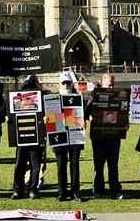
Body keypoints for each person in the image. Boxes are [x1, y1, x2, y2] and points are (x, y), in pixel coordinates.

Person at [53, 71, 86, 202]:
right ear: (59, 84)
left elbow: (84, 114)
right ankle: (62, 192)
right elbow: (48, 115)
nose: (66, 85)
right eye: (64, 83)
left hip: (74, 132)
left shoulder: (78, 98)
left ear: (72, 83)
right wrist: (46, 118)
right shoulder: (53, 98)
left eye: (68, 82)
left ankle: (75, 192)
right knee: (60, 164)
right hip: (59, 131)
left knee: (74, 164)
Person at [90, 73, 124, 200]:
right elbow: (86, 113)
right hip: (98, 136)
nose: (111, 87)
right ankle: (98, 189)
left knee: (113, 164)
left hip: (114, 135)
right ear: (102, 83)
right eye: (109, 85)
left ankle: (115, 190)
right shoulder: (94, 97)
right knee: (98, 164)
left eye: (113, 85)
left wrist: (124, 124)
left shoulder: (119, 97)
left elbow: (123, 114)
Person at [12, 74, 44, 200]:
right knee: (31, 164)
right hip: (26, 134)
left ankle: (22, 189)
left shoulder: (39, 95)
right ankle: (30, 190)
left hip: (32, 133)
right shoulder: (23, 96)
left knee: (27, 164)